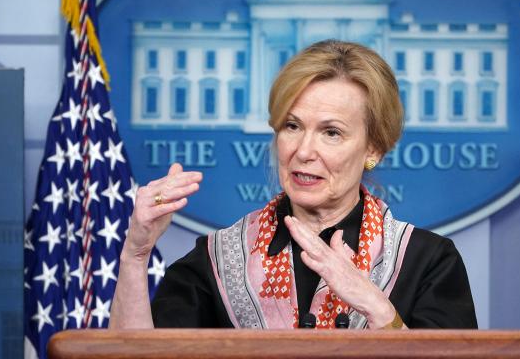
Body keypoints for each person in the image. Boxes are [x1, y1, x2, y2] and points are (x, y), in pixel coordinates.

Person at [109, 40, 477, 330]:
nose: (303, 151)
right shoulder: (217, 260)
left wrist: (375, 306)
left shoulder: (428, 262)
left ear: (374, 148)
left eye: (331, 132)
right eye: (292, 126)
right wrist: (135, 255)